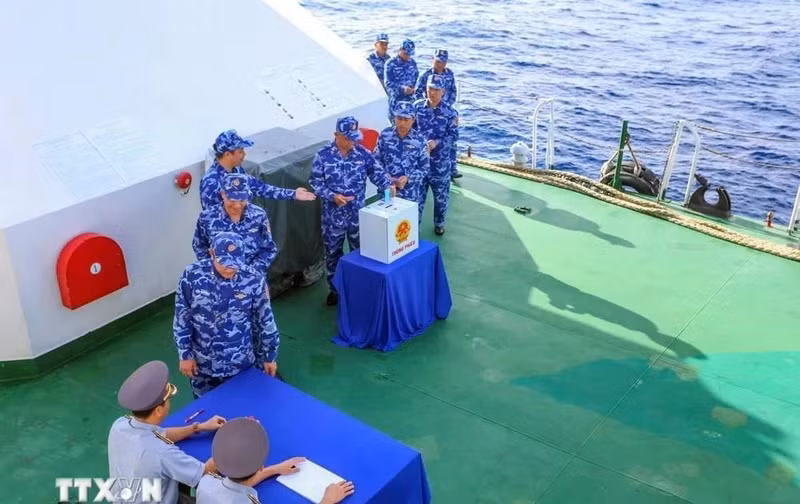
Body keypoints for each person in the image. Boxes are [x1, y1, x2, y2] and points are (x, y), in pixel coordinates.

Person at [174, 232, 280, 397]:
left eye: (235, 263)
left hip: (239, 362)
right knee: (206, 411)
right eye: (224, 263)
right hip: (204, 365)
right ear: (212, 253)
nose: (230, 269)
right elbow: (182, 317)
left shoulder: (253, 278)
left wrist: (269, 357)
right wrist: (185, 354)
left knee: (242, 407)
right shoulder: (192, 275)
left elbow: (265, 320)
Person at [108, 360, 226, 504]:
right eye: (168, 399)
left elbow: (161, 435)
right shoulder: (161, 453)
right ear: (158, 410)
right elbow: (204, 472)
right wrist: (232, 445)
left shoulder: (120, 425)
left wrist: (198, 427)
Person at [309, 116, 395, 306]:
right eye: (347, 138)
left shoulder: (362, 154)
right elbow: (315, 183)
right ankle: (335, 289)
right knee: (333, 254)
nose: (352, 141)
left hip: (357, 215)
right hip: (333, 217)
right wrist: (332, 196)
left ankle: (359, 287)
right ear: (336, 135)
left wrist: (388, 185)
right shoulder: (322, 156)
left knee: (361, 252)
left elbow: (377, 173)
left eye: (354, 137)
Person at [196, 417, 354, 504]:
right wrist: (327, 501)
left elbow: (233, 486)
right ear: (260, 466)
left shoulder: (206, 481)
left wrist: (274, 469)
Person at [199, 129, 316, 210]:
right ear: (227, 154)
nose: (244, 155)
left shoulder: (237, 171)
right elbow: (211, 220)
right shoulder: (211, 182)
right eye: (240, 152)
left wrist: (293, 194)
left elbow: (261, 188)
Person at [192, 173, 277, 278]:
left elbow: (268, 249)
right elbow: (199, 246)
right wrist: (215, 270)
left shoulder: (259, 215)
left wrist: (251, 272)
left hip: (251, 281)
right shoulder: (206, 218)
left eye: (242, 200)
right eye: (232, 200)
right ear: (223, 194)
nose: (237, 205)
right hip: (218, 280)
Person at [413, 74, 459, 235]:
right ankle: (413, 225)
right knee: (417, 197)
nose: (432, 92)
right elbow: (410, 131)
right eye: (430, 88)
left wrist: (436, 143)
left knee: (441, 198)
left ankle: (439, 223)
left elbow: (453, 136)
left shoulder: (450, 113)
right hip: (420, 164)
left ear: (443, 91)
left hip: (440, 165)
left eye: (436, 89)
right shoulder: (417, 107)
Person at [373, 101, 429, 223]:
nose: (402, 123)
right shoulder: (385, 135)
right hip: (387, 190)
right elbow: (376, 160)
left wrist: (408, 179)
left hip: (409, 193)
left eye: (406, 119)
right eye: (399, 118)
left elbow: (424, 169)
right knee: (385, 220)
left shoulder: (420, 141)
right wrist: (385, 178)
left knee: (407, 225)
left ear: (413, 119)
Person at [414, 49, 462, 179]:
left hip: (444, 111)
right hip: (428, 110)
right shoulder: (426, 75)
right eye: (438, 61)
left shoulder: (449, 74)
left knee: (450, 140)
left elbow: (452, 91)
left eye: (443, 62)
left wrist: (447, 107)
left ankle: (452, 168)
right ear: (433, 60)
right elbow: (418, 92)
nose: (440, 64)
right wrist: (427, 103)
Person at [384, 39, 418, 122]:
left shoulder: (412, 63)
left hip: (410, 100)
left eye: (410, 54)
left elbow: (416, 77)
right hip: (396, 100)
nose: (408, 56)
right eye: (406, 54)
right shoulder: (390, 63)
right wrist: (403, 89)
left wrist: (414, 89)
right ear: (400, 50)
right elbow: (388, 83)